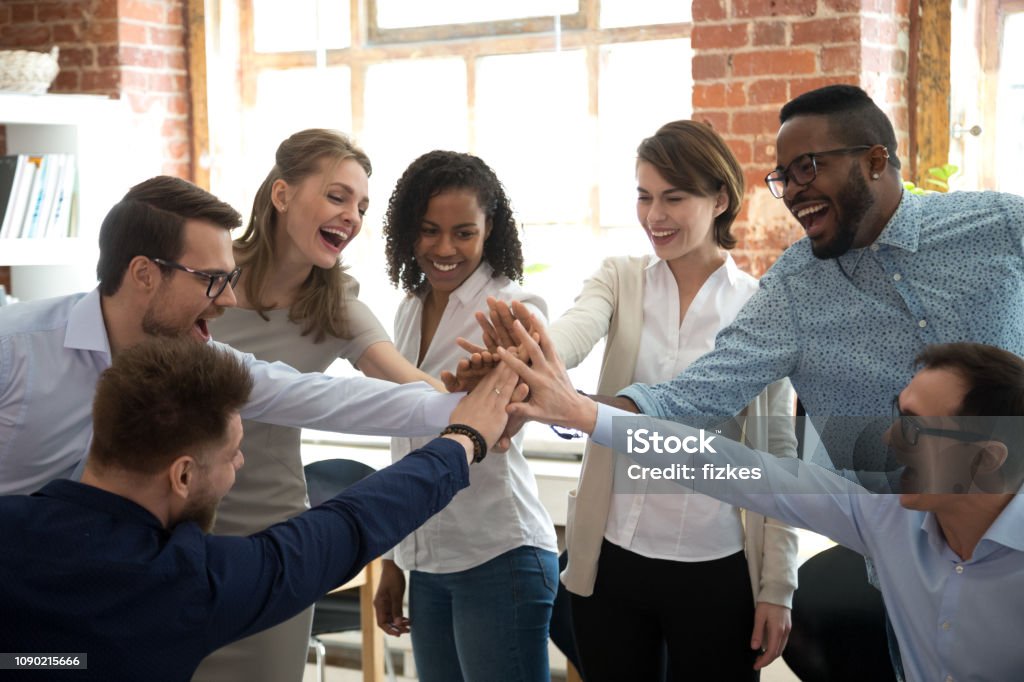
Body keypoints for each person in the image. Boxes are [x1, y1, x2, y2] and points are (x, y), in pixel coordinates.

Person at [493, 325, 1024, 682]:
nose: (891, 439)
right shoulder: (884, 516)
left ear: (985, 459)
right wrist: (585, 414)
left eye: (915, 428)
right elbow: (731, 469)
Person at [0, 336, 524, 682]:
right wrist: (463, 441)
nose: (241, 463)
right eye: (232, 456)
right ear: (182, 475)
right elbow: (343, 528)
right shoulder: (183, 583)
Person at [0, 175, 464, 498]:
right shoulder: (14, 350)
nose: (229, 301)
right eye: (211, 279)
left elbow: (325, 398)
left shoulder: (196, 361)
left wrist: (468, 409)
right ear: (143, 273)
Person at [531, 121, 799, 680]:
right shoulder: (620, 279)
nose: (655, 215)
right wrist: (534, 350)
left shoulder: (761, 306)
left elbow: (779, 458)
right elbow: (573, 332)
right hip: (614, 562)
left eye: (674, 198)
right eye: (644, 196)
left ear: (719, 198)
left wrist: (779, 587)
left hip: (717, 567)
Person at [194, 130, 447, 682]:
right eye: (337, 197)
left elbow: (408, 387)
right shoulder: (206, 277)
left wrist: (469, 405)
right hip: (178, 529)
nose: (352, 217)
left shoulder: (336, 305)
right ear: (282, 195)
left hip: (273, 539)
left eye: (360, 206)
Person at [373, 150, 558, 682]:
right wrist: (395, 560)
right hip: (428, 563)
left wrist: (490, 392)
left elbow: (510, 415)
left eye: (463, 232)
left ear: (490, 229)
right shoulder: (408, 308)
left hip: (498, 554)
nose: (445, 249)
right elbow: (401, 440)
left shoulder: (516, 307)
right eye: (429, 231)